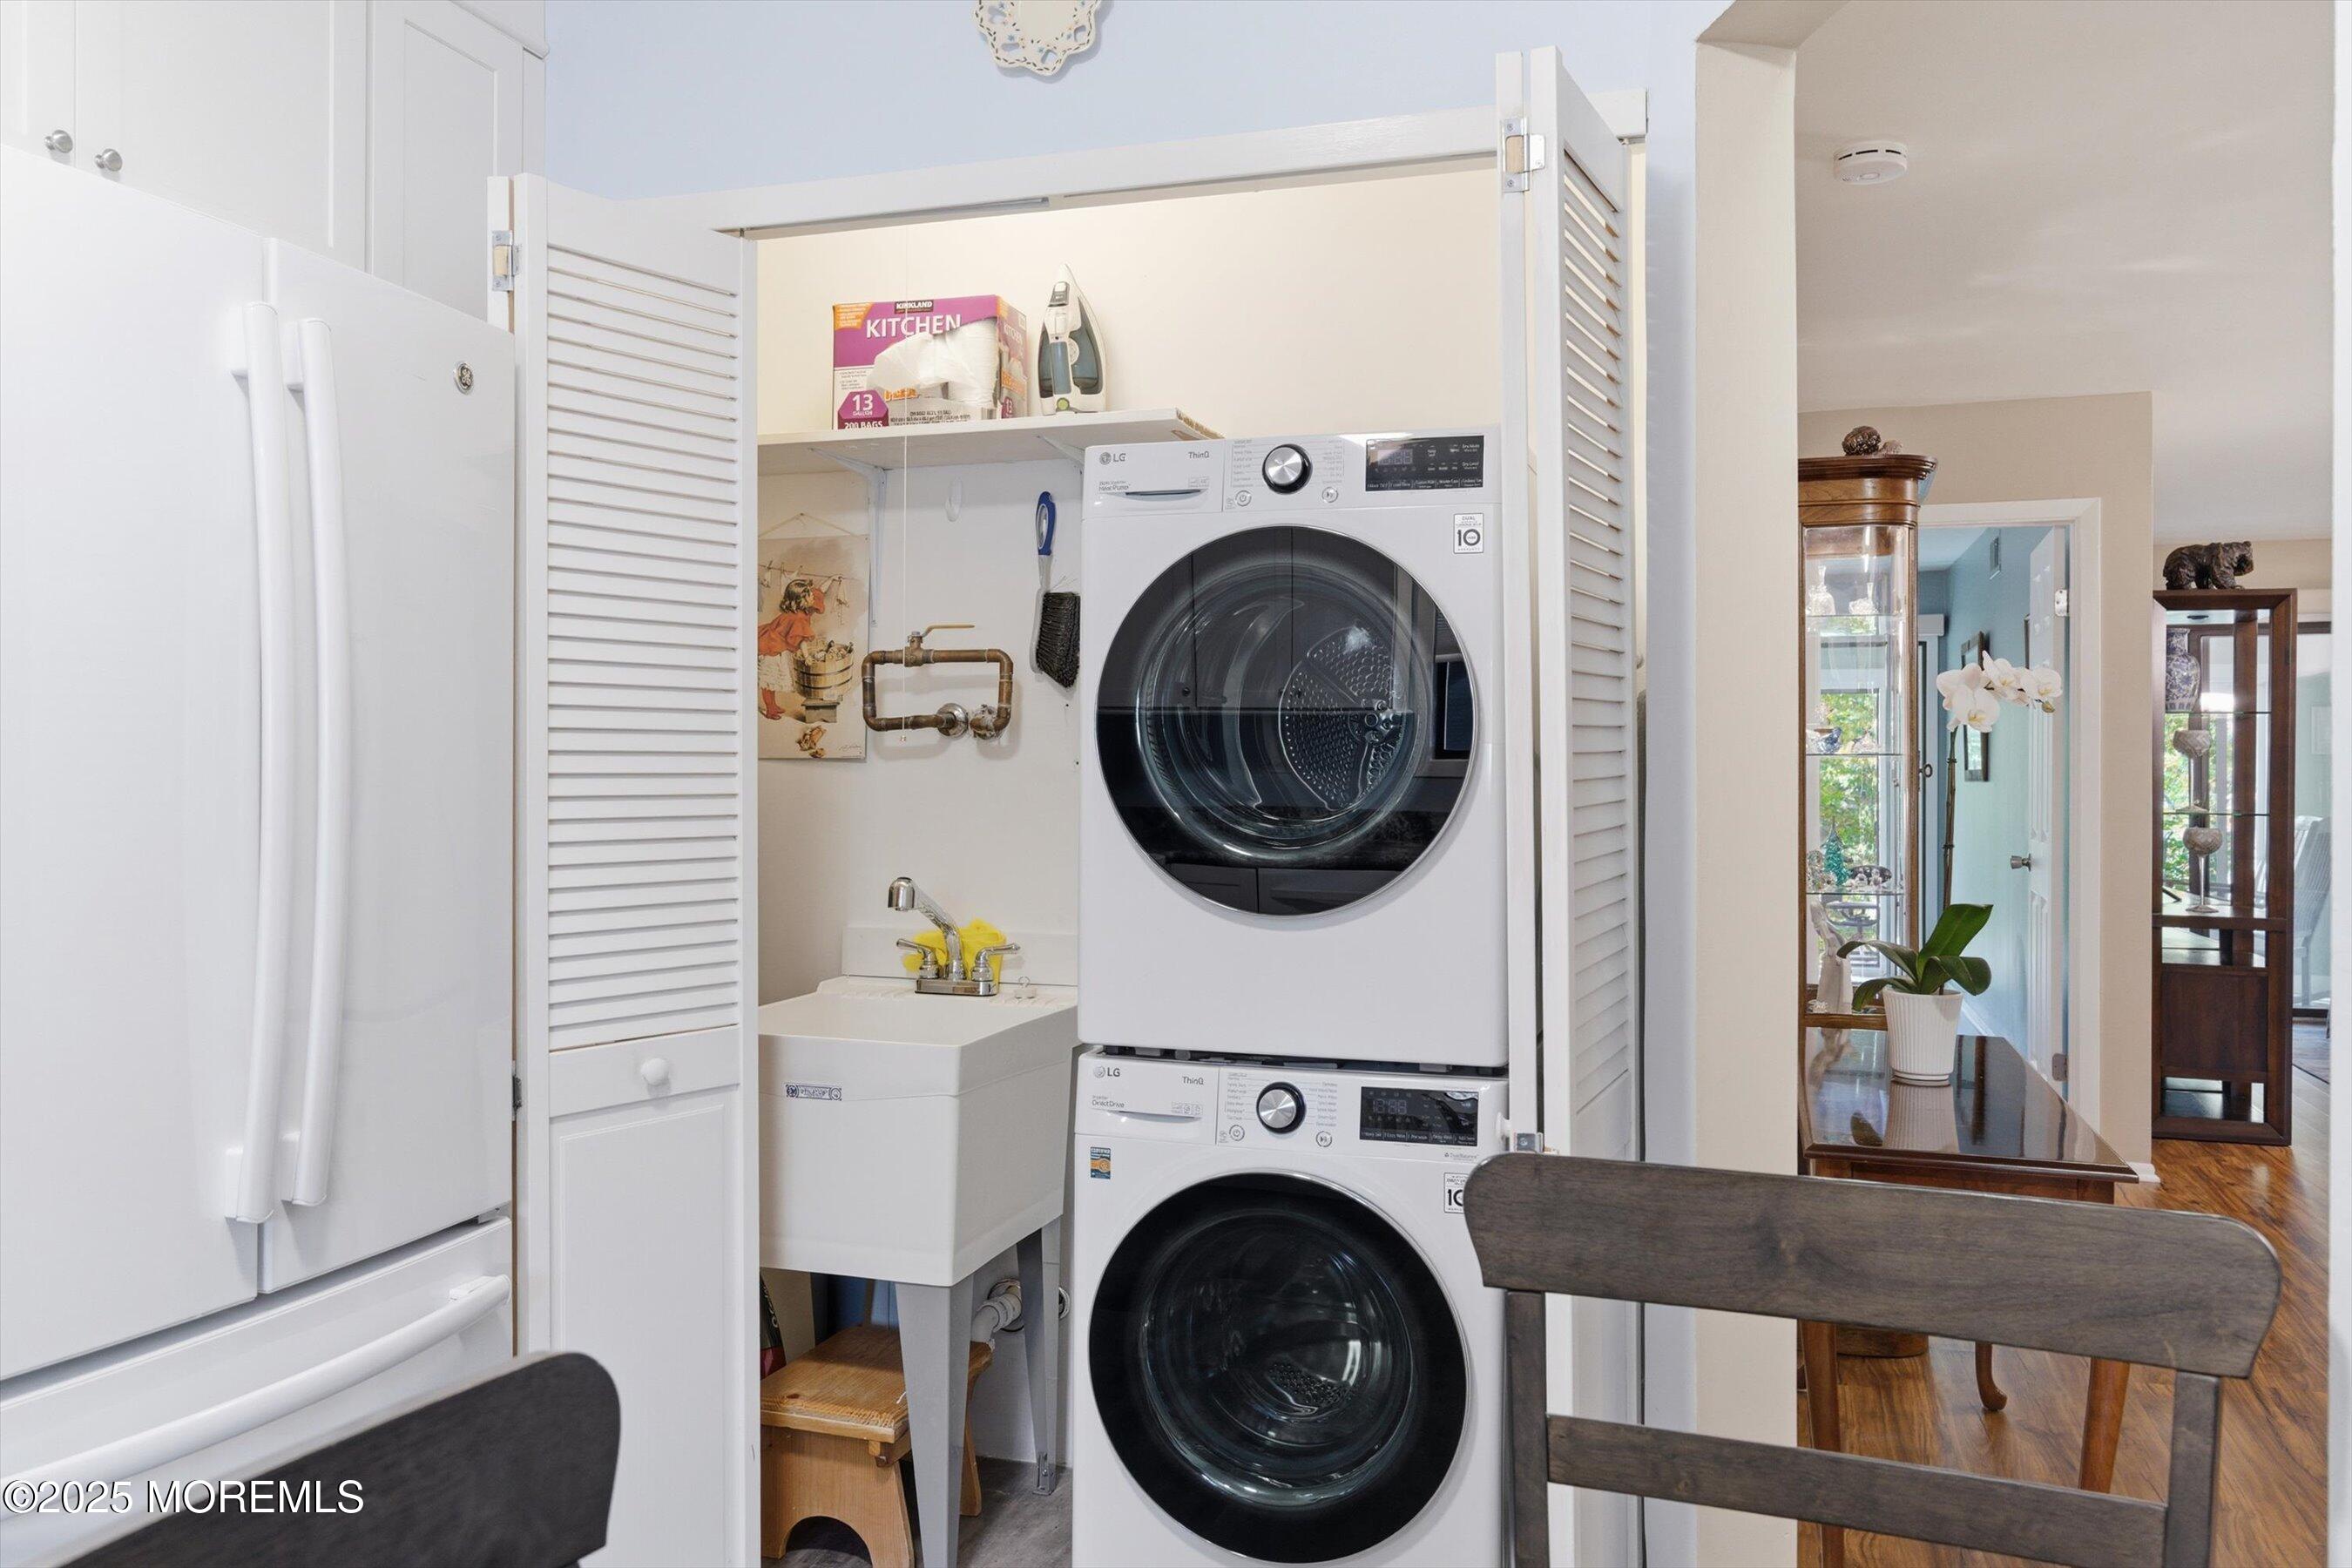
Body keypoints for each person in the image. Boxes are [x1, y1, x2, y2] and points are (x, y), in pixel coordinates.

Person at [758, 576, 827, 722]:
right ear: (799, 600)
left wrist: (832, 579)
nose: (813, 596)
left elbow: (819, 591)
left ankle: (774, 705)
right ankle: (770, 709)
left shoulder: (800, 612)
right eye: (809, 595)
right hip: (772, 647)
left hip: (776, 644)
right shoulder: (797, 618)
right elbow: (801, 640)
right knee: (769, 681)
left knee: (773, 681)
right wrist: (807, 656)